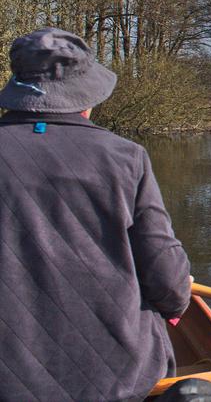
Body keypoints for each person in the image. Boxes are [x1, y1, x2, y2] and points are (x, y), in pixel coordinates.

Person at [0, 28, 192, 401]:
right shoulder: (126, 157)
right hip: (118, 375)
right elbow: (167, 282)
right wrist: (176, 299)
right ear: (86, 98)